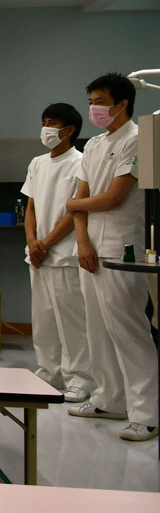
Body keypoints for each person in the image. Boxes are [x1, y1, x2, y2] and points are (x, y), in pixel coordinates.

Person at [65, 72, 158, 441]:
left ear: (122, 103)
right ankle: (110, 399)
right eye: (92, 101)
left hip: (122, 247)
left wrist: (75, 203)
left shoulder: (138, 141)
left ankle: (147, 413)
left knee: (129, 329)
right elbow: (84, 200)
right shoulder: (94, 146)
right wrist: (83, 242)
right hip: (90, 248)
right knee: (98, 329)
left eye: (101, 101)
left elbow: (114, 197)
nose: (95, 108)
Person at [21, 102, 93, 403]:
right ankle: (49, 371)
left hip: (62, 253)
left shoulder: (81, 163)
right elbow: (31, 207)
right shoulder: (38, 163)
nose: (46, 129)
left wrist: (46, 243)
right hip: (37, 254)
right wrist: (32, 241)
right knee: (44, 317)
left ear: (69, 129)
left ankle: (80, 379)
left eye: (52, 123)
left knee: (71, 319)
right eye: (44, 122)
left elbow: (74, 211)